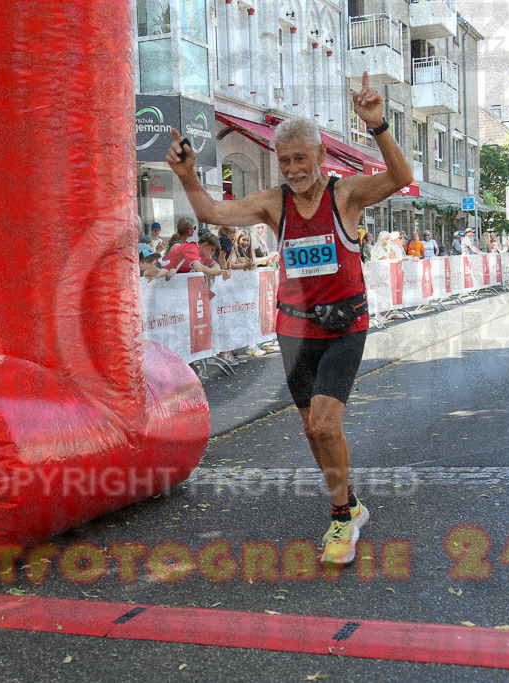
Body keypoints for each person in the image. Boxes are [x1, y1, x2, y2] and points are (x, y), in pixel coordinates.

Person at [166, 72, 413, 565]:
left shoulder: (346, 196)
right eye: (285, 160)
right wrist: (188, 175)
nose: (294, 168)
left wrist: (379, 125)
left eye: (302, 158)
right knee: (311, 430)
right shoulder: (273, 204)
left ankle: (342, 516)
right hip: (294, 330)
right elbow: (213, 211)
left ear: (320, 157)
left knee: (325, 424)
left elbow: (401, 179)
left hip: (344, 325)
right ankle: (351, 501)